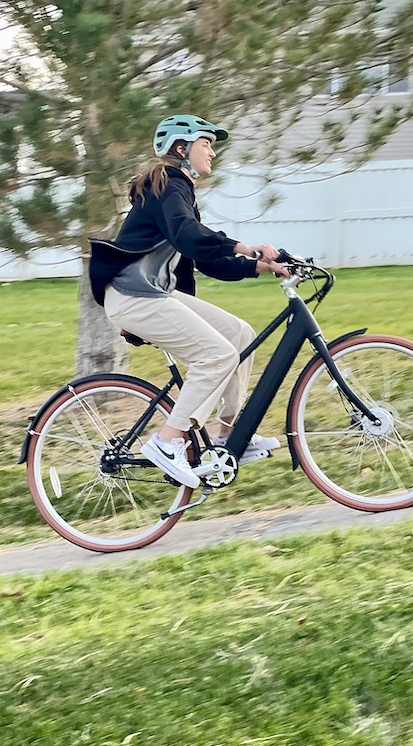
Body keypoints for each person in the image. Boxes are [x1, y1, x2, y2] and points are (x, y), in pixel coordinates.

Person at [88, 114, 290, 489]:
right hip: (135, 295)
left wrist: (262, 267)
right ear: (181, 148)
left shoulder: (175, 189)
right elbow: (189, 234)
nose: (212, 152)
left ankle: (229, 435)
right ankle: (168, 441)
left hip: (151, 294)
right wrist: (245, 247)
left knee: (239, 335)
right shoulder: (168, 183)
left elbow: (205, 259)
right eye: (205, 143)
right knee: (217, 355)